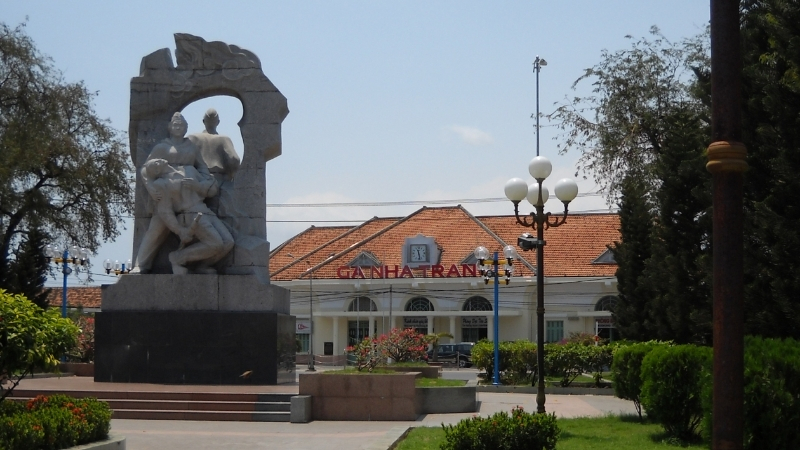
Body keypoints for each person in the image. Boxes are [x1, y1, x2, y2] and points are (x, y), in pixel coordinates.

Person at [132, 112, 217, 273]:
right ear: (170, 127)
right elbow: (145, 169)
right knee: (156, 231)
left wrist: (202, 185)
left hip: (189, 198)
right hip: (166, 194)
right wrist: (151, 188)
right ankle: (141, 264)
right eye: (175, 125)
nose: (178, 127)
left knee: (213, 240)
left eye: (181, 125)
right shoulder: (162, 147)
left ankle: (191, 262)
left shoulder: (191, 146)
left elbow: (203, 169)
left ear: (186, 128)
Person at [140, 158, 234, 274]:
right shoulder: (161, 184)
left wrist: (198, 186)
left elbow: (212, 188)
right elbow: (165, 211)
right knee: (216, 244)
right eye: (154, 164)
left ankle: (203, 266)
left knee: (228, 242)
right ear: (156, 172)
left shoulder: (189, 170)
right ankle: (178, 258)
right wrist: (179, 230)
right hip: (189, 215)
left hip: (205, 210)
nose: (158, 160)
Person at [188, 108, 241, 218]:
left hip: (196, 179)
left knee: (196, 212)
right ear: (218, 122)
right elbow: (234, 160)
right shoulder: (223, 139)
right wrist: (231, 175)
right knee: (215, 214)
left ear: (203, 121)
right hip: (217, 181)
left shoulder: (193, 138)